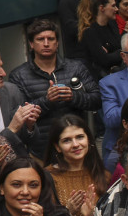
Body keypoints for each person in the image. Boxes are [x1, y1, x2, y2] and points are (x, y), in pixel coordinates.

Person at [6, 20, 100, 156]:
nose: (46, 43)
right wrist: (47, 100)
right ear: (31, 44)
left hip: (77, 144)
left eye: (50, 39)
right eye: (40, 39)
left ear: (57, 43)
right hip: (43, 149)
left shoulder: (76, 67)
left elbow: (96, 100)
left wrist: (73, 96)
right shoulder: (18, 75)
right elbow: (18, 114)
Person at [41, 115, 108, 216]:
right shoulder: (47, 177)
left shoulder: (104, 174)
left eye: (80, 137)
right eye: (67, 140)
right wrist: (68, 212)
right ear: (57, 147)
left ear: (88, 139)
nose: (76, 144)